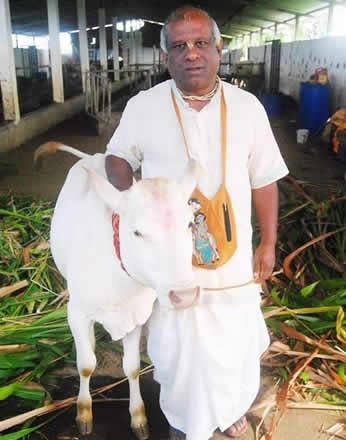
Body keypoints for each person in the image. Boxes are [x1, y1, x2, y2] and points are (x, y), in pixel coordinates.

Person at [105, 6, 288, 439]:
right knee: (178, 344)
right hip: (172, 261)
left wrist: (267, 244)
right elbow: (118, 158)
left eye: (201, 43)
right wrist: (130, 197)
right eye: (179, 45)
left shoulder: (247, 108)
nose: (191, 53)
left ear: (219, 49)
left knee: (233, 337)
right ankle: (186, 417)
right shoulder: (144, 106)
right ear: (165, 55)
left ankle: (227, 410)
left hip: (232, 256)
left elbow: (264, 180)